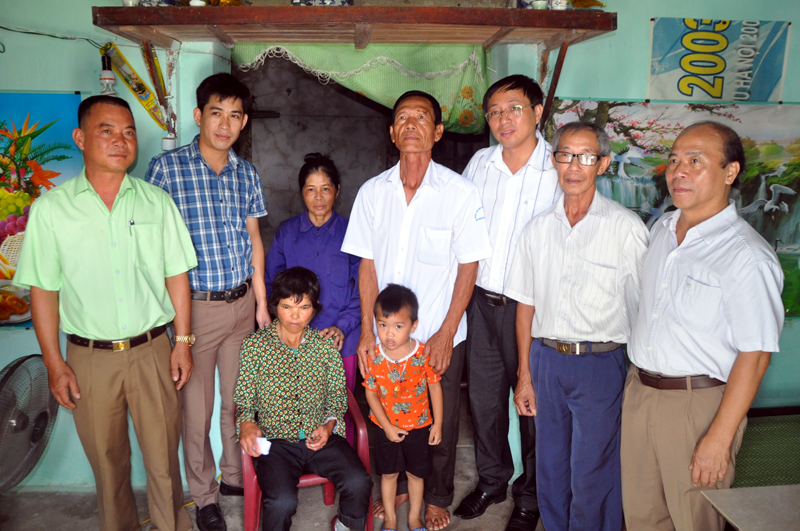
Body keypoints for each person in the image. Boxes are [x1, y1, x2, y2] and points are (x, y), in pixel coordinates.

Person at [14, 95, 197, 531]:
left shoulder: (156, 203)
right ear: (80, 138)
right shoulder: (52, 210)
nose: (121, 140)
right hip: (89, 358)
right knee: (107, 463)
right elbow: (43, 291)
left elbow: (177, 276)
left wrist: (183, 342)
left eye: (129, 132)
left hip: (153, 351)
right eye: (107, 130)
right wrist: (54, 363)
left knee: (163, 460)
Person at [621, 121, 784, 531]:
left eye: (696, 161)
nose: (679, 171)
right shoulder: (661, 229)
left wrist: (719, 438)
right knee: (642, 517)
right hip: (640, 391)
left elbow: (756, 355)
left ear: (730, 172)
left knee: (696, 519)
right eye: (674, 160)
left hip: (698, 406)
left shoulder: (746, 256)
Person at [342, 90, 491, 530]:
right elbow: (367, 266)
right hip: (387, 336)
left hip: (438, 334)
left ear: (438, 132)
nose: (411, 124)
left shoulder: (460, 192)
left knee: (436, 420)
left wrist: (446, 332)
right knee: (385, 415)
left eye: (421, 117)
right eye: (403, 118)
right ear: (392, 133)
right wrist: (368, 332)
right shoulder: (373, 192)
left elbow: (469, 265)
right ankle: (399, 490)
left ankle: (437, 496)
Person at [504, 122, 649, 531]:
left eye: (586, 157)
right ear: (554, 160)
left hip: (600, 363)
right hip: (547, 360)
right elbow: (525, 305)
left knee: (593, 469)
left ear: (602, 164)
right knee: (550, 464)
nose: (574, 166)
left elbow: (643, 307)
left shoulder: (625, 228)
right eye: (566, 155)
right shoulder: (537, 228)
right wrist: (525, 376)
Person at [145, 72, 270, 531]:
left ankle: (235, 477)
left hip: (241, 305)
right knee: (196, 412)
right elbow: (152, 246)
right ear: (199, 115)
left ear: (244, 122)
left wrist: (261, 304)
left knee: (239, 401)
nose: (225, 124)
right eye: (216, 113)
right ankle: (204, 496)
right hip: (194, 310)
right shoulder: (166, 169)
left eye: (235, 116)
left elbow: (254, 240)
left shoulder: (246, 173)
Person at [455, 74, 561, 531]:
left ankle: (531, 496)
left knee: (531, 404)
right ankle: (492, 480)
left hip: (532, 309)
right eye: (495, 111)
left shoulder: (558, 169)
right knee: (484, 402)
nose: (503, 119)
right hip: (481, 301)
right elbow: (460, 226)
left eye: (514, 108)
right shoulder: (480, 163)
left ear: (537, 113)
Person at [235, 266, 373, 531]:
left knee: (359, 482)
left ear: (315, 307)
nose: (295, 316)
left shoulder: (325, 347)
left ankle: (344, 526)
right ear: (275, 306)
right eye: (287, 307)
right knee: (281, 501)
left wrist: (329, 426)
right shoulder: (255, 346)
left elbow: (337, 396)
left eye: (304, 307)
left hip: (319, 436)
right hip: (275, 442)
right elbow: (244, 396)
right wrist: (247, 423)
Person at [266, 152, 361, 392]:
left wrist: (342, 326)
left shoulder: (353, 233)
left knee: (339, 406)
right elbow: (271, 283)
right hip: (294, 337)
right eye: (311, 190)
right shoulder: (287, 232)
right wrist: (288, 323)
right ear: (302, 193)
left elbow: (364, 287)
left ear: (337, 191)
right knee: (295, 405)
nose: (318, 197)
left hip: (341, 339)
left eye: (325, 189)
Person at [364, 284, 444, 531]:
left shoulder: (422, 354)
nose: (389, 334)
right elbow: (371, 393)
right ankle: (390, 519)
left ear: (413, 325)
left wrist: (437, 425)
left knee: (415, 475)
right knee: (388, 474)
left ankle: (413, 519)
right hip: (385, 428)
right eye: (382, 325)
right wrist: (387, 426)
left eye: (398, 326)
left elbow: (434, 388)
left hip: (418, 427)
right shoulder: (375, 356)